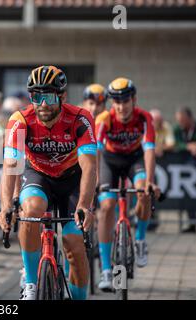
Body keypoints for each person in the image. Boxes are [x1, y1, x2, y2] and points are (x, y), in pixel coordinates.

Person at [0, 65, 97, 300]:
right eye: (36, 96)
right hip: (38, 176)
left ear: (62, 96)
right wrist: (6, 206)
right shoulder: (20, 120)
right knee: (31, 211)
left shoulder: (80, 118)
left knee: (73, 243)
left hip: (72, 180)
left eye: (49, 96)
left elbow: (90, 166)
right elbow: (11, 166)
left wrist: (84, 205)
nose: (42, 104)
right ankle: (31, 282)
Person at [95, 77, 161, 291]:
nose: (121, 107)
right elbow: (95, 151)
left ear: (134, 100)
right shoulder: (104, 119)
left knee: (143, 192)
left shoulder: (144, 118)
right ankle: (106, 270)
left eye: (125, 101)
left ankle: (140, 239)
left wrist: (149, 182)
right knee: (106, 208)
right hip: (110, 162)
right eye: (116, 102)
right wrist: (95, 181)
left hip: (135, 159)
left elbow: (149, 149)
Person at [173, 107, 196, 233]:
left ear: (189, 119)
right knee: (187, 193)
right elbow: (176, 144)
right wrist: (188, 146)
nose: (180, 123)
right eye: (179, 121)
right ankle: (192, 223)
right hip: (184, 168)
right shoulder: (177, 129)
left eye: (182, 120)